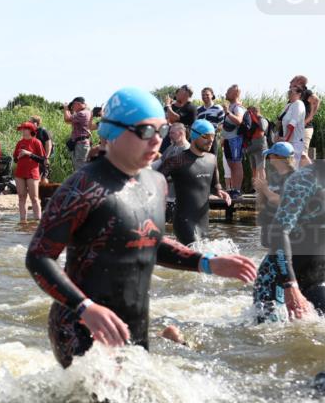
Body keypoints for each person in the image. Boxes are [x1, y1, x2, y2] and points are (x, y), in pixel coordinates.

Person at [26, 87, 256, 368]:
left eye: (161, 131)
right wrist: (84, 307)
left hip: (134, 322)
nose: (156, 141)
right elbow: (38, 256)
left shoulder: (155, 183)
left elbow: (149, 241)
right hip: (81, 325)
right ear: (111, 132)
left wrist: (207, 263)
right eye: (146, 132)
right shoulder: (82, 187)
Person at [253, 148, 325, 322]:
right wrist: (289, 284)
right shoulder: (304, 180)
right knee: (275, 341)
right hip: (278, 280)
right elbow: (279, 232)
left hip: (316, 276)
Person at [157, 119, 231, 246]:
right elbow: (155, 179)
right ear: (194, 135)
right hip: (184, 222)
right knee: (194, 257)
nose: (211, 140)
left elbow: (215, 183)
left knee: (202, 259)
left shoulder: (212, 159)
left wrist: (219, 191)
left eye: (213, 136)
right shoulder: (177, 160)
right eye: (206, 136)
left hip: (203, 222)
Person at [251, 142, 298, 321]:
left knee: (265, 282)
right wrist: (260, 190)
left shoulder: (294, 178)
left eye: (271, 156)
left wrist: (265, 190)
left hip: (288, 243)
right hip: (275, 240)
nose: (269, 159)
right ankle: (280, 317)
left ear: (280, 159)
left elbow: (284, 201)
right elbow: (265, 204)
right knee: (270, 283)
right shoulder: (277, 177)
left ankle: (269, 322)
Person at [152, 122, 189, 221]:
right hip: (166, 195)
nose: (169, 135)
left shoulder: (187, 150)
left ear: (181, 133)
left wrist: (165, 179)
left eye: (172, 133)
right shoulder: (171, 147)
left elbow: (184, 174)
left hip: (177, 196)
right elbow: (159, 163)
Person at [14, 122, 45, 223]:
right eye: (21, 129)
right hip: (20, 173)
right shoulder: (19, 142)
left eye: (24, 129)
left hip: (32, 173)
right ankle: (23, 221)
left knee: (34, 198)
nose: (22, 131)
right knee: (21, 197)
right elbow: (15, 159)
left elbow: (42, 159)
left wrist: (29, 154)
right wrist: (18, 157)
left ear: (30, 130)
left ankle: (37, 221)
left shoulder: (37, 142)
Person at [220, 85, 247, 195]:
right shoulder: (231, 106)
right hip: (227, 139)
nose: (225, 93)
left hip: (235, 139)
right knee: (231, 164)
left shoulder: (237, 107)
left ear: (235, 94)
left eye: (228, 91)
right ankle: (233, 189)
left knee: (236, 164)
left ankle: (237, 189)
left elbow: (239, 121)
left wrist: (227, 112)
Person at [280, 83, 309, 166]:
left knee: (293, 167)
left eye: (291, 92)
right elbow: (279, 120)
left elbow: (293, 122)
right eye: (289, 92)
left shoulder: (298, 104)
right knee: (286, 167)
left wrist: (286, 137)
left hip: (295, 141)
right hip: (287, 141)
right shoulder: (288, 105)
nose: (289, 94)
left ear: (299, 94)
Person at [62, 96, 92, 171]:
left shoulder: (82, 113)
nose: (72, 107)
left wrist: (66, 109)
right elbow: (70, 120)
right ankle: (81, 182)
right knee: (79, 167)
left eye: (73, 105)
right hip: (81, 143)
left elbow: (67, 119)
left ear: (78, 104)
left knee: (80, 168)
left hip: (81, 144)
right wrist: (70, 111)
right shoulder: (87, 112)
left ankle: (82, 182)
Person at [29, 115, 53, 184]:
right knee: (36, 176)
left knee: (44, 177)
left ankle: (46, 192)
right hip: (35, 157)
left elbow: (49, 145)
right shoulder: (32, 132)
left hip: (43, 157)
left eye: (31, 122)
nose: (29, 123)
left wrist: (46, 157)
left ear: (36, 123)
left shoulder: (43, 131)